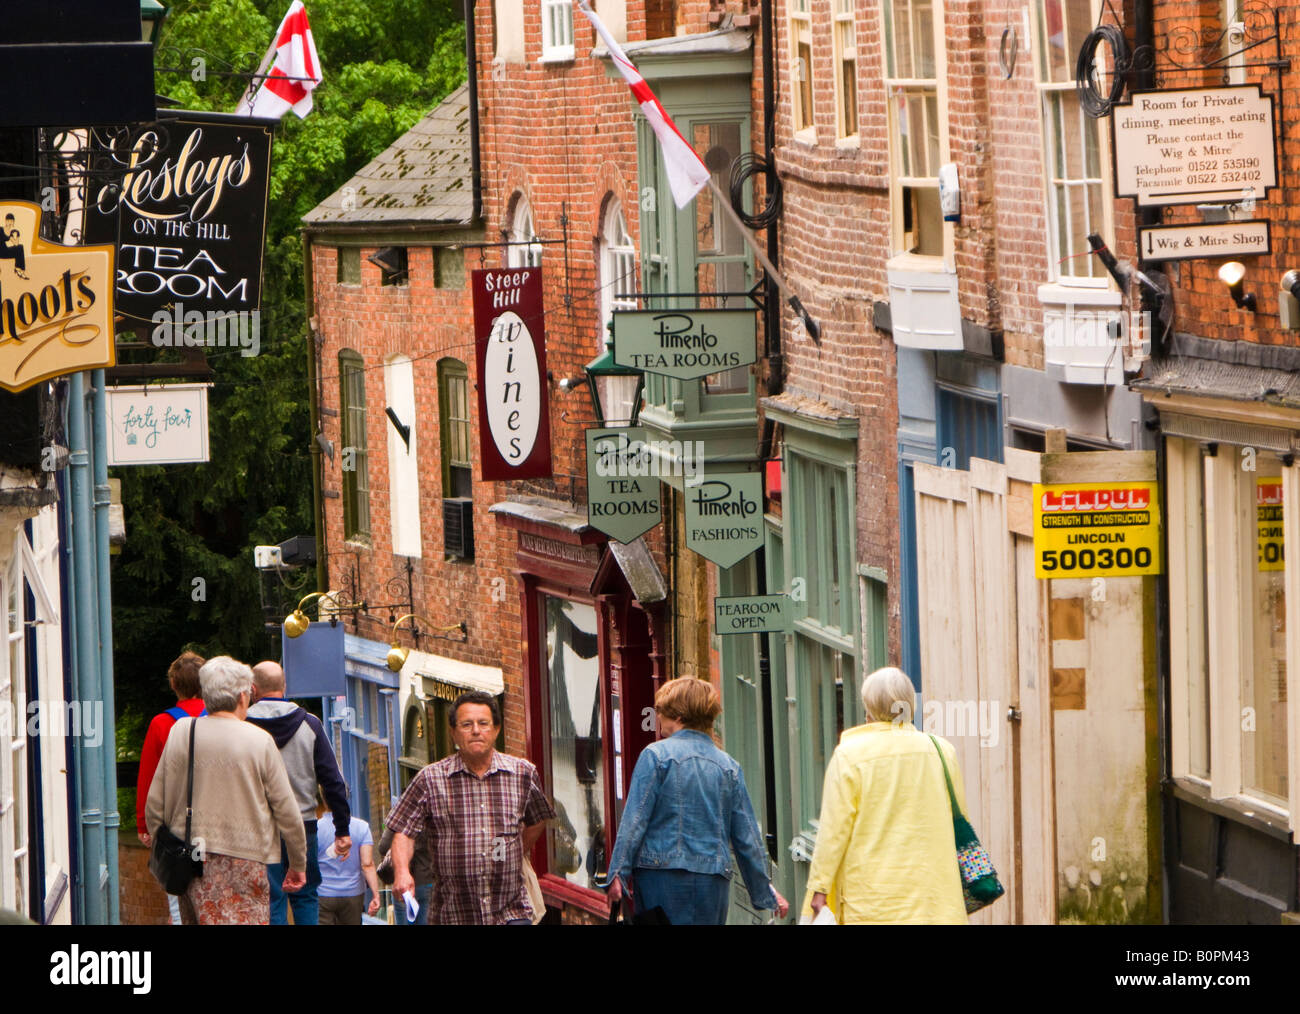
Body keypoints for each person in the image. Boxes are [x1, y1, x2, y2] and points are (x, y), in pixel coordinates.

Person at [601, 677, 789, 925]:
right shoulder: (728, 766)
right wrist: (764, 890)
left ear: (679, 717)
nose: (658, 719)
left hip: (660, 879)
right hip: (711, 882)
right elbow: (747, 837)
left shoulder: (656, 756)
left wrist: (617, 875)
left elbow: (634, 821)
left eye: (662, 713)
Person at [145, 655, 307, 925]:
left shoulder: (182, 732)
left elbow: (155, 803)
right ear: (243, 696)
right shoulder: (259, 741)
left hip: (191, 857)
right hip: (245, 858)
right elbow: (287, 811)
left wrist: (162, 841)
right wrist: (298, 863)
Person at [804, 665, 968, 924]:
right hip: (935, 900)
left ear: (869, 708)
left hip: (874, 902)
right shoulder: (942, 751)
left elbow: (833, 831)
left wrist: (820, 887)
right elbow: (958, 819)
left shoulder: (850, 756)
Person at [387, 691, 556, 925]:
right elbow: (403, 831)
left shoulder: (522, 774)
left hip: (511, 912)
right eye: (467, 724)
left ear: (496, 730)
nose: (476, 730)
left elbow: (538, 819)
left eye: (483, 723)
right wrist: (403, 872)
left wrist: (511, 851)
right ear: (454, 732)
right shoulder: (430, 779)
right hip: (455, 914)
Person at [246, 659, 351, 926]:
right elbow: (333, 781)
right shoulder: (310, 725)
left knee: (271, 897)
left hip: (258, 826)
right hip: (304, 825)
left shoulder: (243, 726)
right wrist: (342, 829)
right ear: (284, 686)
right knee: (305, 894)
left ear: (253, 689)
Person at [136, 650, 206, 925]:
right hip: (218, 822)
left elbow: (149, 778)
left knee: (178, 893)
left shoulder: (161, 724)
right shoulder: (221, 720)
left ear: (173, 684)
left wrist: (144, 824)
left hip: (175, 825)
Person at [315, 792, 380, 925]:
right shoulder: (362, 827)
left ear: (323, 799)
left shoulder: (315, 828)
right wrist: (376, 894)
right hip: (353, 894)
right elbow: (367, 864)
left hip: (323, 894)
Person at [375, 825, 433, 925]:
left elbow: (383, 847)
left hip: (402, 885)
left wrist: (400, 845)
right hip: (426, 881)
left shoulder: (401, 817)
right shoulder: (429, 816)